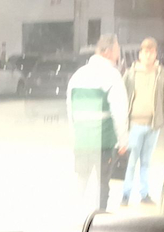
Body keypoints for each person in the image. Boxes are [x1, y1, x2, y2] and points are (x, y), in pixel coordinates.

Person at [67, 34, 129, 212]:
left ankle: (75, 215)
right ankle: (99, 219)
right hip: (104, 143)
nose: (118, 54)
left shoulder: (78, 75)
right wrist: (123, 141)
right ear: (108, 51)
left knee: (81, 180)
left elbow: (70, 111)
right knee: (102, 183)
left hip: (82, 142)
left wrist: (76, 137)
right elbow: (119, 112)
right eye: (117, 50)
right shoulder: (112, 76)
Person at [122, 37, 164, 206]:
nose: (149, 55)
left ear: (156, 54)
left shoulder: (161, 73)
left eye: (152, 52)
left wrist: (162, 117)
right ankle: (125, 195)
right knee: (131, 162)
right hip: (134, 125)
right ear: (140, 54)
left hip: (153, 126)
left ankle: (144, 194)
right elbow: (122, 96)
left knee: (146, 162)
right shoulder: (131, 73)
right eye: (146, 52)